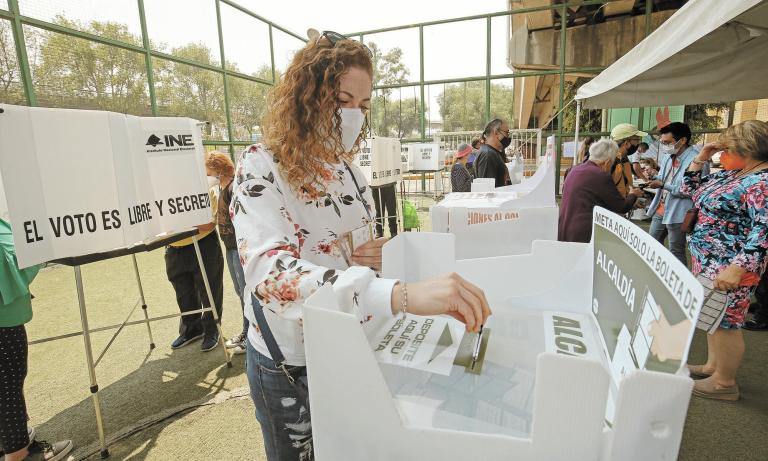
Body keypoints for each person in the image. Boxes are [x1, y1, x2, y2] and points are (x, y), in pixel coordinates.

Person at [231, 30, 491, 460]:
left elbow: (354, 254)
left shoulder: (351, 174)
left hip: (350, 343)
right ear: (306, 98)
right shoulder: (261, 166)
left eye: (363, 105)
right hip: (290, 358)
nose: (352, 115)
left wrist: (376, 255)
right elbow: (270, 276)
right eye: (340, 100)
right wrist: (402, 294)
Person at [682, 120, 768, 401]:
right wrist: (702, 156)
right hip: (710, 260)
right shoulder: (736, 174)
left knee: (726, 322)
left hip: (730, 265)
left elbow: (764, 230)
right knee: (713, 317)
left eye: (727, 147)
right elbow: (690, 188)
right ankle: (712, 367)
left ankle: (724, 383)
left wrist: (738, 267)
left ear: (747, 147)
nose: (721, 153)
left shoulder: (760, 181)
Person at [1, 218, 73, 461]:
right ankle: (19, 453)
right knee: (8, 384)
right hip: (4, 320)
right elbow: (12, 258)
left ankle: (9, 441)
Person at [164, 170, 225, 352]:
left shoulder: (205, 189)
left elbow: (208, 224)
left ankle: (212, 330)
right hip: (173, 247)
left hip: (203, 243)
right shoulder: (163, 192)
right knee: (183, 292)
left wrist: (178, 220)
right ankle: (191, 329)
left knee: (209, 290)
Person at [558, 139, 644, 243]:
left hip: (565, 227)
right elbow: (621, 207)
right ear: (607, 162)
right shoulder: (601, 175)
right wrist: (633, 195)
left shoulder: (573, 169)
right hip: (584, 232)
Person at [646, 122, 707, 266]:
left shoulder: (697, 160)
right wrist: (654, 176)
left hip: (680, 212)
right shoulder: (669, 156)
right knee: (651, 244)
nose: (665, 146)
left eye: (668, 142)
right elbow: (662, 177)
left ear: (683, 140)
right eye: (663, 142)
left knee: (676, 250)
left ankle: (680, 285)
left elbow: (692, 190)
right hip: (660, 208)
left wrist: (662, 184)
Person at [206, 151, 248, 355]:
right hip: (230, 247)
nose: (206, 174)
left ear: (218, 169)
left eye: (208, 170)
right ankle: (247, 332)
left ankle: (251, 336)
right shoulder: (222, 189)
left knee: (246, 293)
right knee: (241, 292)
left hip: (239, 249)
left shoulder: (232, 188)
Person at [610, 123, 646, 197]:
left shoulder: (624, 159)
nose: (638, 143)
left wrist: (631, 198)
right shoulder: (611, 162)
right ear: (626, 143)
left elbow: (624, 185)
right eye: (637, 140)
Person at [475, 119, 511, 188]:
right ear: (496, 133)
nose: (508, 137)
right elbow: (487, 191)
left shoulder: (492, 152)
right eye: (507, 133)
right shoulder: (488, 155)